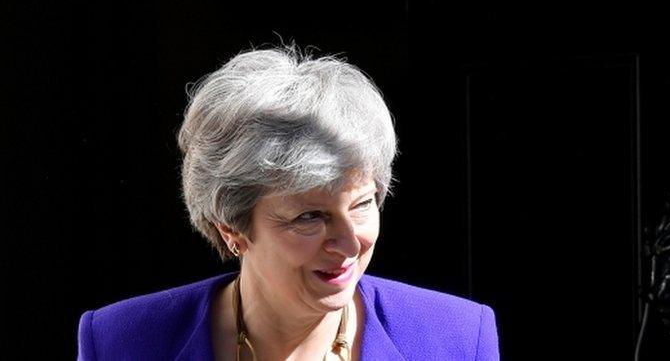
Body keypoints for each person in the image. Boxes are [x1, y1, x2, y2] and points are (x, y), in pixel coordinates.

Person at [77, 44, 499, 360]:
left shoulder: (457, 338)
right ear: (232, 228)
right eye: (310, 217)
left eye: (362, 205)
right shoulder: (119, 342)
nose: (350, 244)